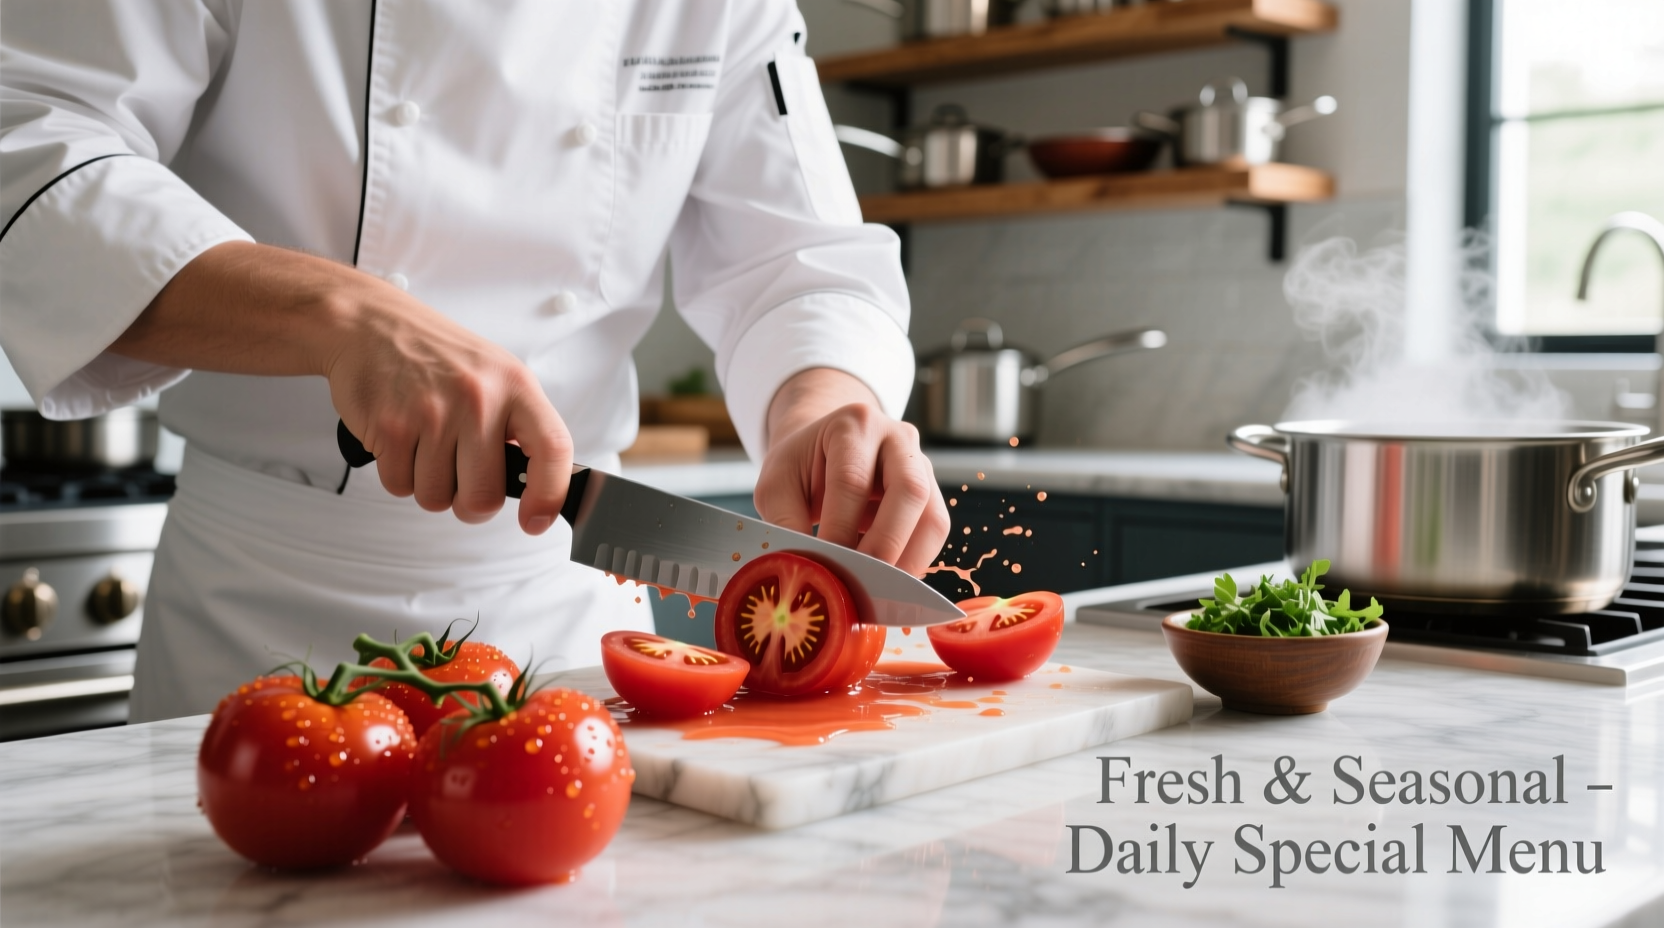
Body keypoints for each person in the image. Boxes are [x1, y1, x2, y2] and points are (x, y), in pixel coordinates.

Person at [0, 1, 949, 720]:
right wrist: (342, 314)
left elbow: (797, 259)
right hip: (261, 619)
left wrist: (824, 402)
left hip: (558, 620)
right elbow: (31, 142)